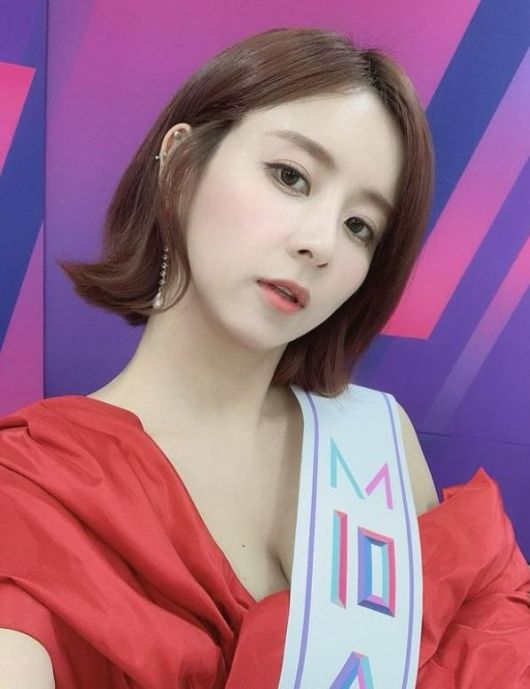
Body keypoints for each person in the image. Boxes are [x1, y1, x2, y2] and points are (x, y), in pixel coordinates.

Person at [0, 27, 528, 689]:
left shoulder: (376, 445)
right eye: (291, 176)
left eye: (359, 226)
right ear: (180, 163)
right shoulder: (35, 490)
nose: (321, 243)